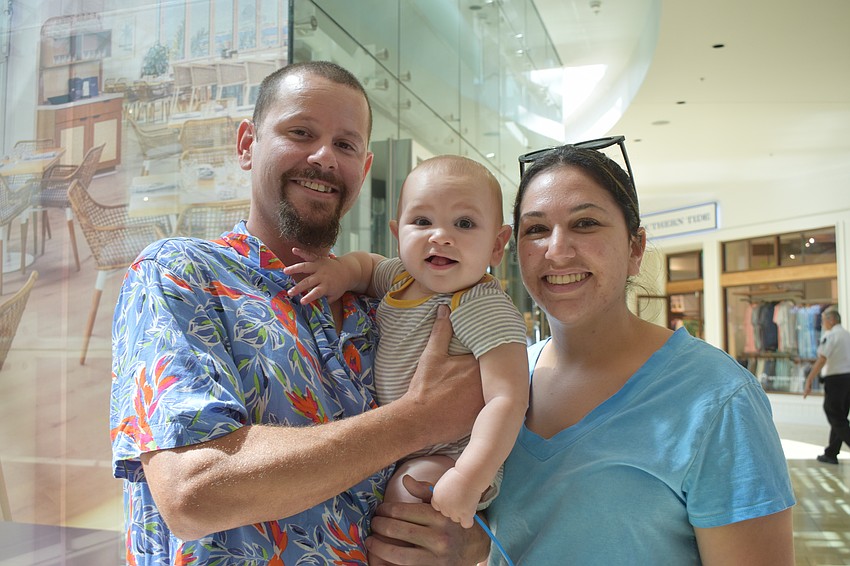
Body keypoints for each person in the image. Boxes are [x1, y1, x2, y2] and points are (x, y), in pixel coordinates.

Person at [110, 61, 490, 565]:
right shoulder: (183, 274)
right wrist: (414, 420)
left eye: (346, 145)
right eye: (300, 132)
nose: (323, 157)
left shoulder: (388, 307)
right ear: (247, 144)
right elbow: (193, 493)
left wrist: (472, 539)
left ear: (365, 167)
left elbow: (468, 456)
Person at [485, 137, 796, 564]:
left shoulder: (718, 398)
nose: (556, 250)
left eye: (585, 223)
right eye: (536, 229)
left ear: (635, 249)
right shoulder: (502, 379)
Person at [285, 155, 529, 529]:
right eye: (422, 221)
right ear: (398, 235)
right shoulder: (400, 277)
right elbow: (367, 267)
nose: (440, 236)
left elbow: (508, 398)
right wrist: (339, 272)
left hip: (453, 454)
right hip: (401, 444)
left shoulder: (480, 302)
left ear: (498, 246)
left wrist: (468, 477)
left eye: (464, 223)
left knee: (404, 503)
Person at [803, 308, 850, 465]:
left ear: (832, 320)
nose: (822, 324)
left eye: (823, 320)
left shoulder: (831, 336)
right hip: (847, 379)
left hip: (836, 381)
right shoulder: (847, 335)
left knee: (834, 415)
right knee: (840, 416)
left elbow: (822, 359)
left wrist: (809, 379)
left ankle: (832, 452)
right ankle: (831, 453)